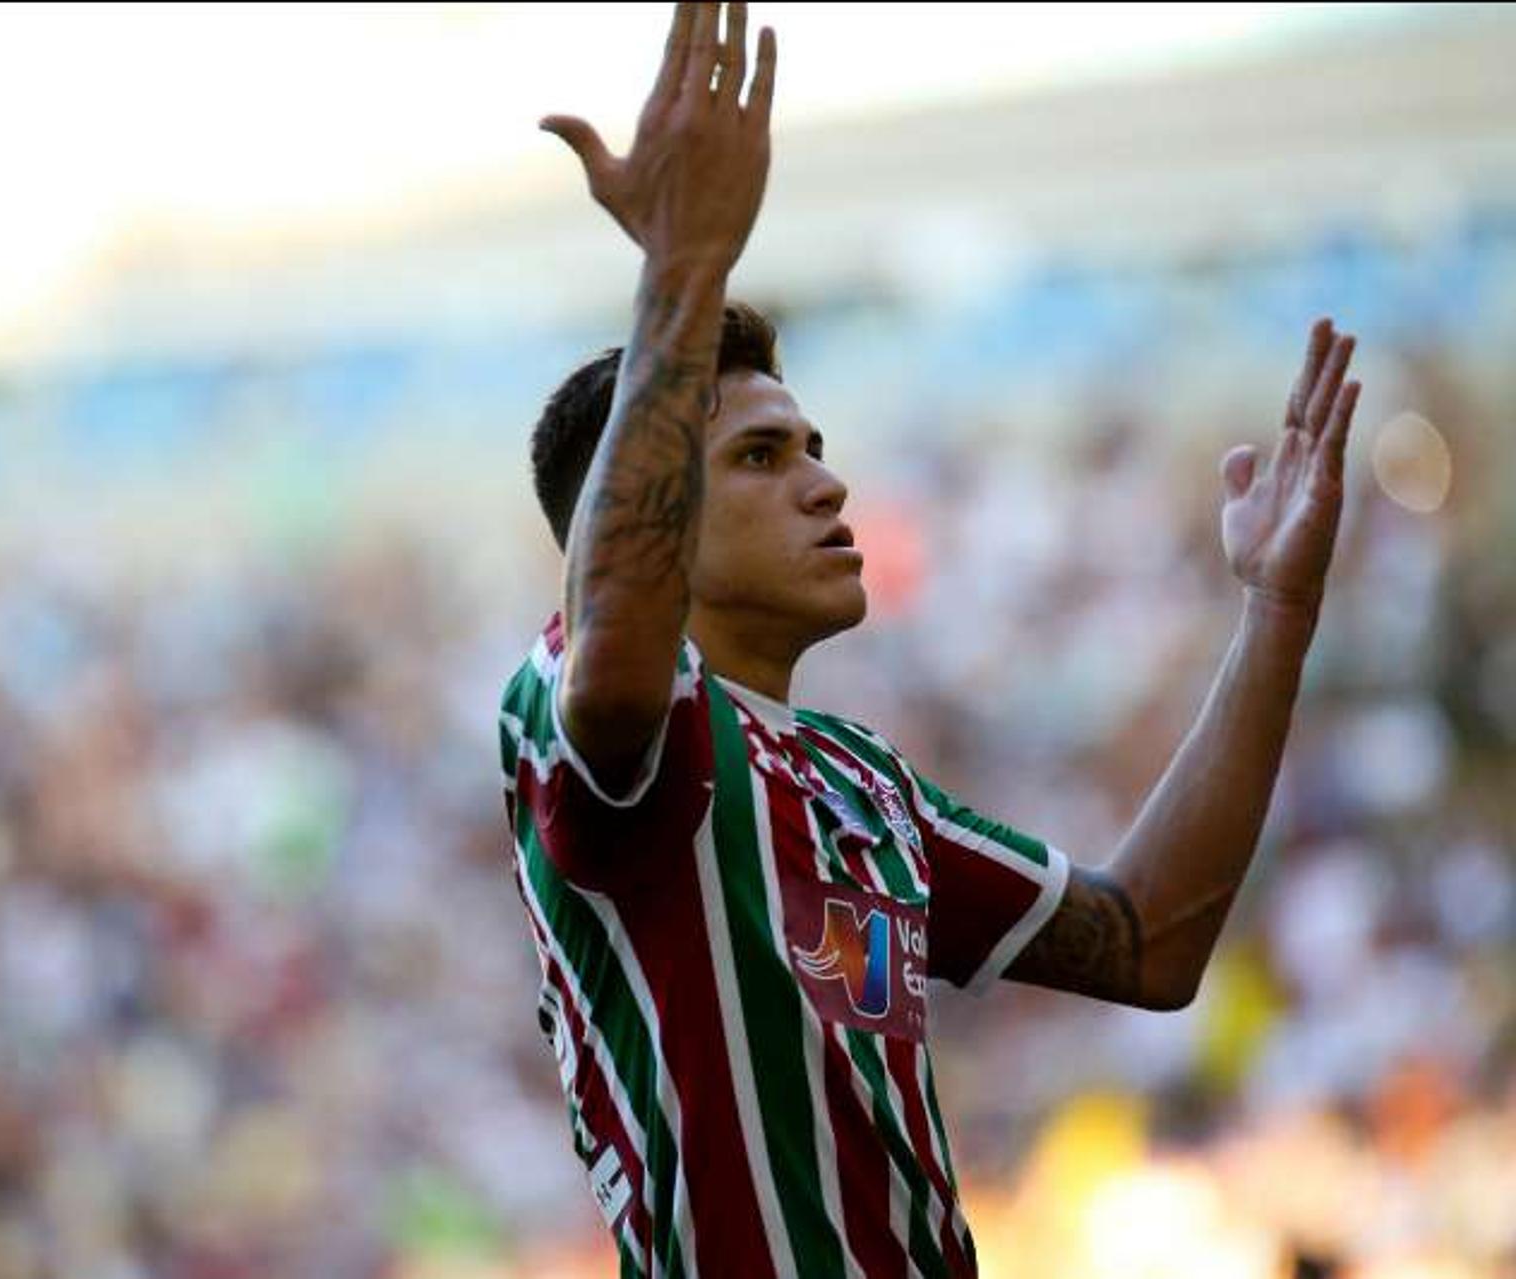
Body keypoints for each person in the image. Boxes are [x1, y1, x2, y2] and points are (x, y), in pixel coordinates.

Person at [496, 4, 1363, 1276]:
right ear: (656, 521)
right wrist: (683, 269)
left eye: (816, 449)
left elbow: (1149, 939)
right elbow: (619, 652)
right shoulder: (588, 703)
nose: (826, 486)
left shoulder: (862, 784)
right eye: (759, 456)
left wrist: (1276, 615)